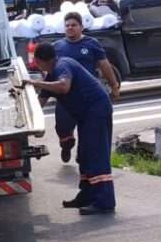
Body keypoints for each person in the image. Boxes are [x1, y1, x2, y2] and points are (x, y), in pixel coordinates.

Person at [29, 43, 116, 214]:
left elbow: (63, 86)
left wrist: (34, 83)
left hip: (96, 110)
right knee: (84, 155)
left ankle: (104, 202)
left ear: (39, 61)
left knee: (95, 155)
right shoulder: (51, 76)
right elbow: (38, 105)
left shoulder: (63, 65)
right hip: (86, 115)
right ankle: (87, 195)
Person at [49, 11, 121, 163]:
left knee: (87, 127)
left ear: (81, 27)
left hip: (86, 96)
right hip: (65, 96)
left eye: (74, 25)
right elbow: (50, 70)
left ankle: (82, 155)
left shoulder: (91, 44)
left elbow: (104, 65)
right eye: (67, 25)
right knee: (62, 128)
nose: (70, 28)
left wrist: (114, 85)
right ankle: (66, 145)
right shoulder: (58, 47)